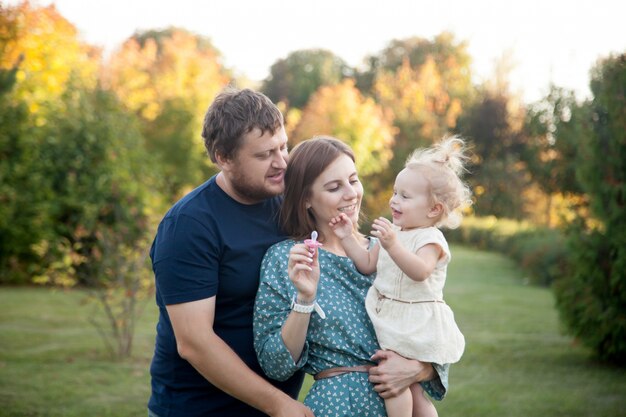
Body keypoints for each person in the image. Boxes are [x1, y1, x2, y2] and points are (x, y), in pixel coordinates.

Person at [253, 136, 449, 417]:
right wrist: (305, 299)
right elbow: (275, 365)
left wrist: (419, 369)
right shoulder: (288, 259)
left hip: (407, 401)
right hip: (340, 405)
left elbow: (431, 326)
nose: (351, 194)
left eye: (354, 180)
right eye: (334, 187)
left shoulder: (391, 250)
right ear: (306, 199)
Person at [147, 87, 312, 417]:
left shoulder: (290, 205)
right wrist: (280, 406)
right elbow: (195, 342)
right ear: (223, 158)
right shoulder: (189, 225)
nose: (282, 162)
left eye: (283, 146)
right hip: (200, 409)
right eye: (264, 155)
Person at [328, 136, 470, 417]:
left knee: (393, 382)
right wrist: (346, 237)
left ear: (433, 209)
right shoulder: (395, 231)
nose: (394, 200)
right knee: (413, 391)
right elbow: (368, 264)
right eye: (395, 193)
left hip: (416, 323)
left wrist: (392, 245)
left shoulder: (430, 238)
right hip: (392, 317)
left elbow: (420, 271)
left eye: (405, 196)